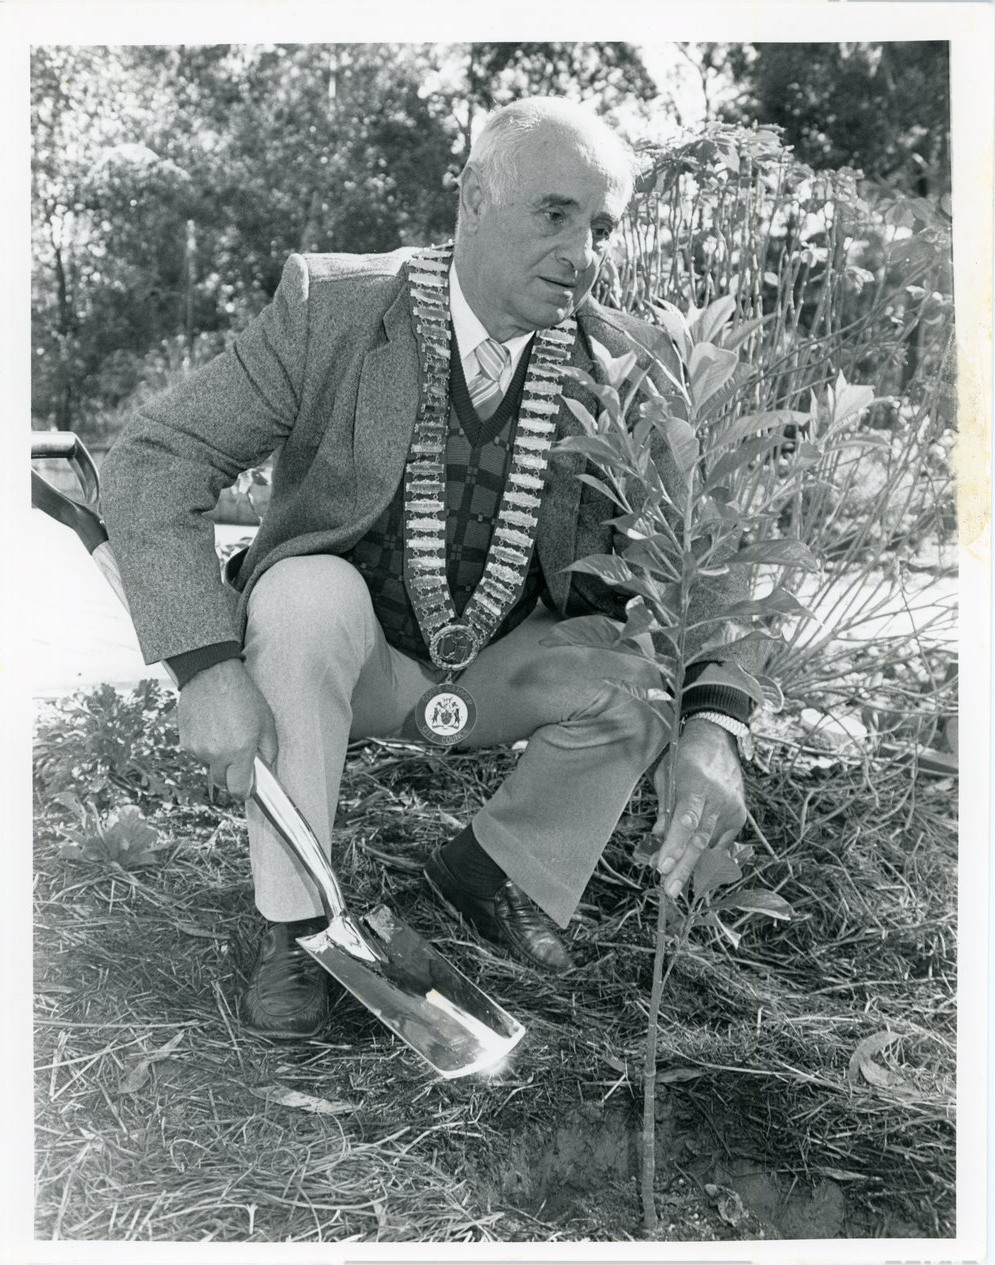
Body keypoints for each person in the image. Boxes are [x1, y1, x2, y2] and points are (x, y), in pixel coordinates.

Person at [101, 97, 761, 1041]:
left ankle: (495, 872)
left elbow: (713, 560)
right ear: (472, 197)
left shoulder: (629, 363)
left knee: (644, 668)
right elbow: (155, 458)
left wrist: (717, 726)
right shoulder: (330, 307)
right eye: (554, 213)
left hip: (502, 674)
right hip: (344, 668)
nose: (582, 252)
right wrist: (204, 667)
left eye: (601, 227)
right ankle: (294, 929)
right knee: (301, 595)